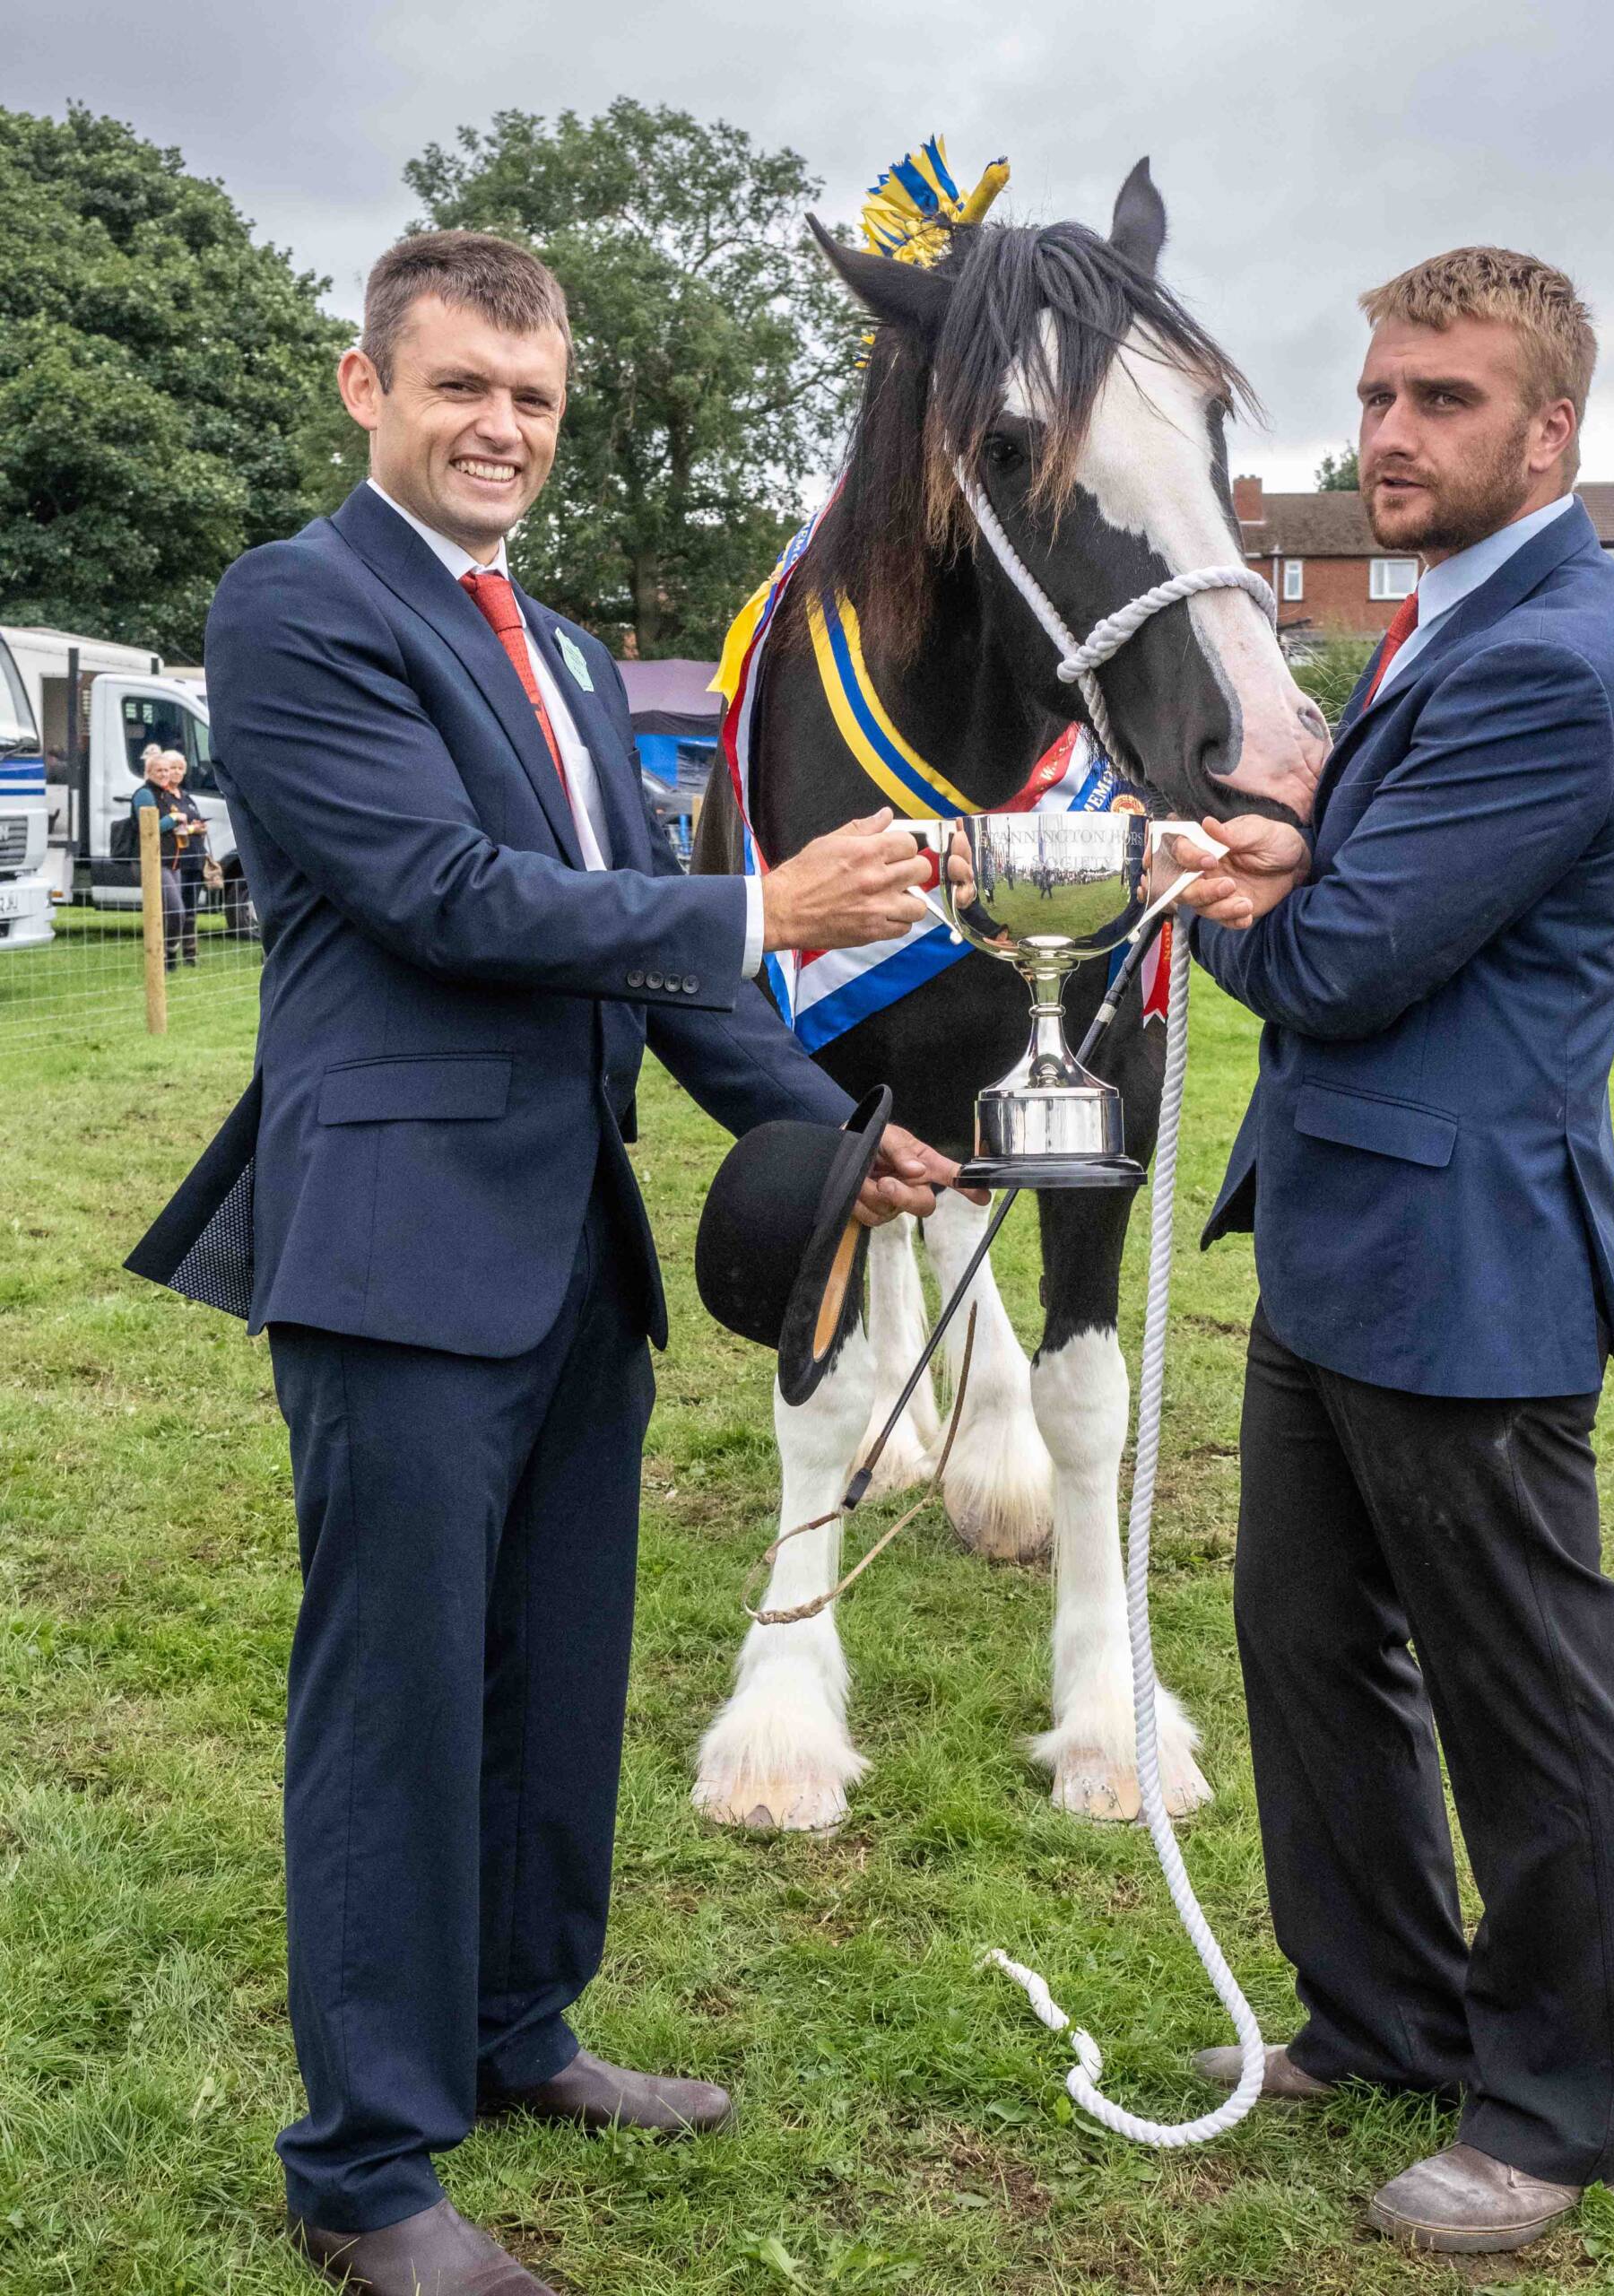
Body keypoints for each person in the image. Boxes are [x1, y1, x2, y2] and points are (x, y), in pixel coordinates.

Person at [131, 229, 965, 2296]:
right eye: (460, 387)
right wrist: (766, 896)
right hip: (397, 1254)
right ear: (368, 389)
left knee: (552, 1675)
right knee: (396, 1703)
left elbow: (649, 950)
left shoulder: (580, 655)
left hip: (571, 1255)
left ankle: (518, 2030)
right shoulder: (296, 607)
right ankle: (366, 2166)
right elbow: (446, 894)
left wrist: (829, 1124)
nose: (500, 425)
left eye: (530, 395)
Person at [1171, 248, 1614, 2255]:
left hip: (1466, 1258)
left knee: (1529, 1697)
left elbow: (1344, 954)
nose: (1390, 432)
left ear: (1548, 430)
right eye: (1380, 393)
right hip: (1340, 1233)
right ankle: (1382, 2011)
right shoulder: (1444, 621)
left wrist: (1209, 876)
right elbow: (1353, 876)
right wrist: (1298, 843)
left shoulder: (1557, 654)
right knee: (1308, 1646)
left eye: (1444, 400)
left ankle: (1557, 2108)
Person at [130, 746, 196, 970]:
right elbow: (149, 827)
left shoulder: (167, 795)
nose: (164, 774)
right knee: (177, 911)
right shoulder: (144, 794)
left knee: (169, 912)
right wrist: (174, 818)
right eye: (159, 771)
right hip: (154, 862)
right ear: (149, 772)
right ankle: (169, 953)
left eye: (167, 770)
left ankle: (166, 958)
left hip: (173, 861)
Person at [160, 749, 213, 966]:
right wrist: (192, 829)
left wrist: (200, 827)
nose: (177, 772)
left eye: (181, 768)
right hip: (175, 861)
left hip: (195, 859)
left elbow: (193, 820)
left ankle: (190, 955)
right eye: (173, 768)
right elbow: (171, 827)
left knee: (191, 910)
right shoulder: (163, 797)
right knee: (175, 910)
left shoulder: (186, 796)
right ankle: (169, 955)